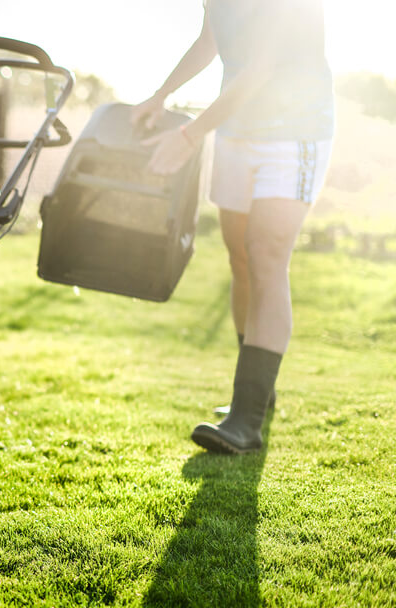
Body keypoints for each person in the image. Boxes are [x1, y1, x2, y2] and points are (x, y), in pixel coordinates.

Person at [130, 0, 334, 454]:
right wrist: (160, 94)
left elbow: (261, 68)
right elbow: (209, 40)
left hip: (294, 132)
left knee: (266, 257)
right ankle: (261, 390)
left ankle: (246, 419)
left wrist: (188, 134)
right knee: (239, 256)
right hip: (237, 130)